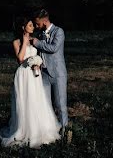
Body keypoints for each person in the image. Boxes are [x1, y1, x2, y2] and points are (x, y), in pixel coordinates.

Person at [0, 16, 61, 148]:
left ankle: (39, 129)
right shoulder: (16, 42)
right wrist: (25, 41)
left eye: (33, 24)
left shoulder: (34, 40)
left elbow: (37, 55)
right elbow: (20, 59)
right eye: (30, 25)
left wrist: (38, 63)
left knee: (36, 99)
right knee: (25, 100)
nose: (33, 27)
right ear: (23, 27)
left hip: (34, 74)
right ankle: (25, 130)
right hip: (23, 75)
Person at [30, 8, 69, 137]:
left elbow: (53, 48)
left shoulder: (59, 32)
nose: (36, 26)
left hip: (58, 74)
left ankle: (65, 131)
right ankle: (50, 132)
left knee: (60, 104)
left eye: (37, 23)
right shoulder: (41, 34)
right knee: (46, 105)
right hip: (44, 75)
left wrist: (36, 42)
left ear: (45, 21)